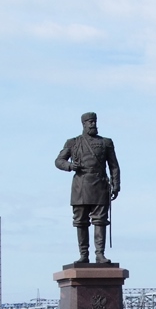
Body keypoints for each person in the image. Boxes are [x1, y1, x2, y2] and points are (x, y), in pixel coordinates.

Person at [55, 112, 121, 264]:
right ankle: (83, 254)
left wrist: (116, 184)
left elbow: (114, 166)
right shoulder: (73, 142)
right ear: (83, 124)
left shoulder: (106, 142)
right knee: (81, 221)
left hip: (100, 186)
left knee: (100, 221)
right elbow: (59, 160)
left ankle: (100, 254)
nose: (93, 124)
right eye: (90, 122)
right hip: (80, 186)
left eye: (94, 121)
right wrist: (70, 166)